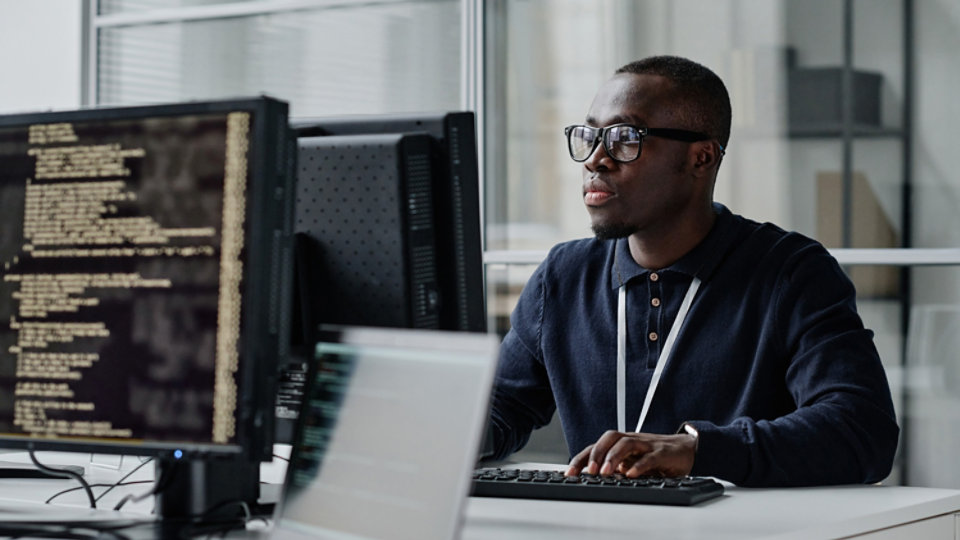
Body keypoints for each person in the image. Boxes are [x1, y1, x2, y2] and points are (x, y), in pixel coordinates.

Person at [483, 55, 899, 488]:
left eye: (626, 137)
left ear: (701, 158)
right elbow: (499, 411)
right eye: (590, 135)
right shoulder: (563, 277)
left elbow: (862, 429)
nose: (595, 159)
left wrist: (699, 450)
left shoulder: (791, 273)